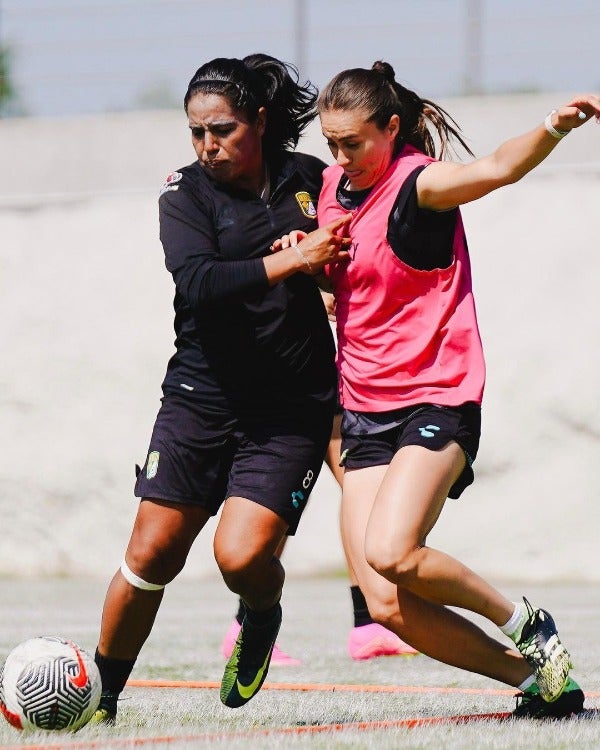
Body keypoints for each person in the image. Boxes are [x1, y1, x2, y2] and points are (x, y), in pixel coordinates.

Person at [272, 61, 599, 719]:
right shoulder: (334, 189)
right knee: (386, 603)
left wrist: (551, 128)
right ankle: (538, 680)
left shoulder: (420, 184)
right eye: (330, 144)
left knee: (392, 552)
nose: (340, 157)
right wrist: (310, 270)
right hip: (363, 408)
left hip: (437, 397)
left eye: (354, 142)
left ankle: (527, 622)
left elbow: (500, 167)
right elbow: (361, 286)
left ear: (392, 128)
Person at [91, 52, 353, 723]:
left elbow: (351, 266)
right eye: (198, 132)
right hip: (199, 401)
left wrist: (326, 275)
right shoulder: (184, 194)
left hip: (290, 409)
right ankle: (101, 699)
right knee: (151, 553)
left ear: (260, 122)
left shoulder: (310, 179)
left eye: (224, 130)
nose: (209, 145)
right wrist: (294, 257)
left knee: (240, 557)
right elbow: (199, 281)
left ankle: (261, 615)